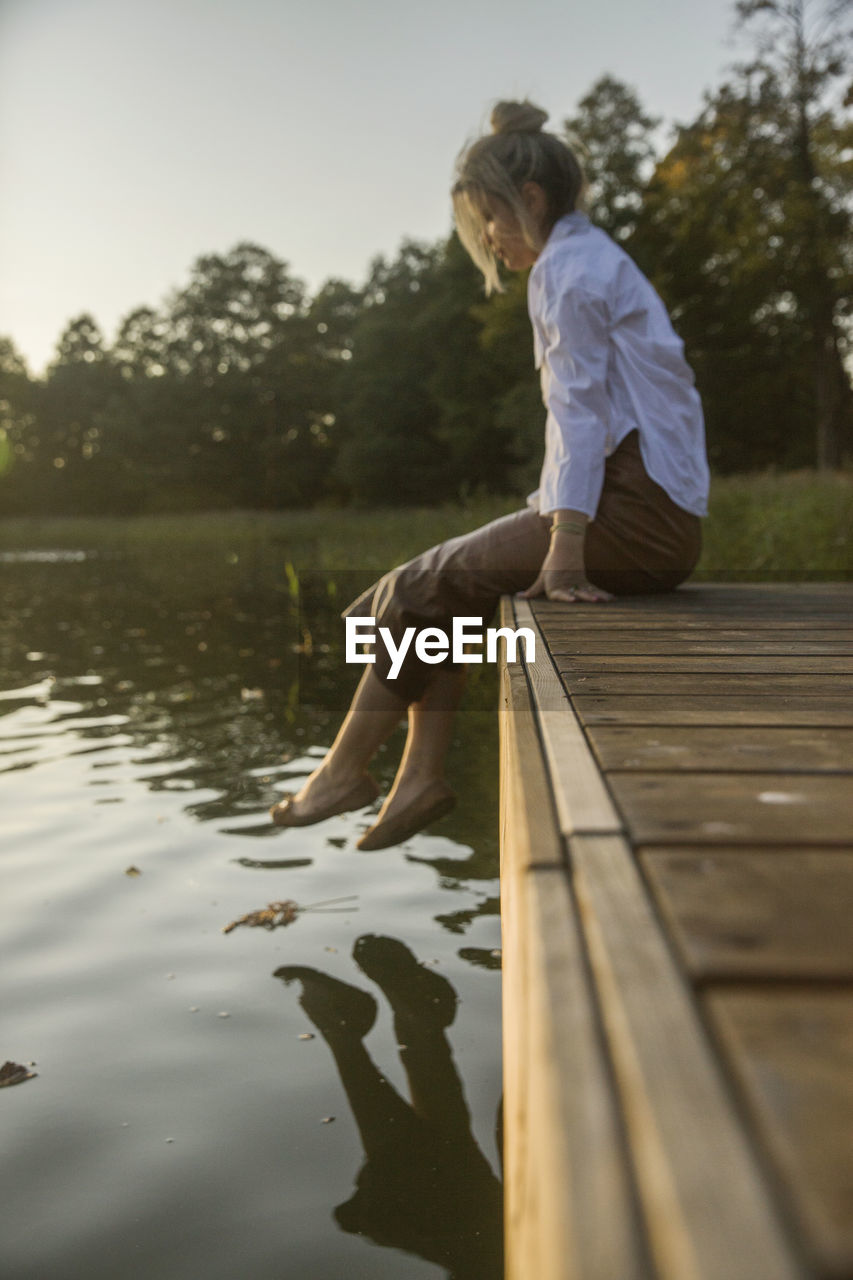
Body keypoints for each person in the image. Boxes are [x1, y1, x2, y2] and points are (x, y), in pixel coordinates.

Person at [270, 99, 709, 849]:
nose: (488, 240)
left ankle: (340, 773)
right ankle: (416, 779)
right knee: (447, 595)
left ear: (528, 201)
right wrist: (553, 519)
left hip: (633, 518)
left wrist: (562, 547)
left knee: (418, 587)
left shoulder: (567, 272)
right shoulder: (595, 259)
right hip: (654, 515)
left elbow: (579, 416)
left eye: (490, 221)